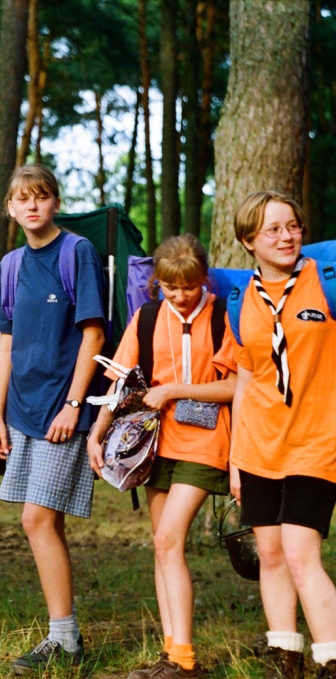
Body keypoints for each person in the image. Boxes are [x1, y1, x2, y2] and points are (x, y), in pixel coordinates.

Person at [88, 235, 236, 679]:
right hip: (156, 443)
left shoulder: (223, 315)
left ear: (203, 278)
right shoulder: (148, 317)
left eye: (189, 286)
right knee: (162, 545)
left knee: (169, 539)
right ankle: (171, 653)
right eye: (171, 287)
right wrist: (97, 433)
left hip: (207, 440)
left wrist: (173, 389)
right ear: (158, 282)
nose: (181, 296)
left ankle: (184, 660)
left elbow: (236, 385)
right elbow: (121, 381)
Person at [0, 164, 105, 673]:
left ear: (55, 203)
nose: (31, 205)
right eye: (22, 199)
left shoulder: (77, 252)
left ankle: (65, 639)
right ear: (10, 209)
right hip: (21, 411)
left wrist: (74, 405)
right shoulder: (10, 265)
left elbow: (94, 334)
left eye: (41, 196)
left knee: (36, 519)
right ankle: (65, 635)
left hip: (62, 411)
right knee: (41, 521)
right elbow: (5, 344)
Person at [223, 191, 336, 679]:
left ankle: (330, 656)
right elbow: (245, 381)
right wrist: (235, 458)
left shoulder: (326, 282)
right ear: (249, 240)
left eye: (293, 226)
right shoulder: (238, 300)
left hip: (317, 441)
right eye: (273, 229)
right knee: (269, 554)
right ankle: (285, 656)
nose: (287, 237)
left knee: (299, 553)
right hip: (258, 445)